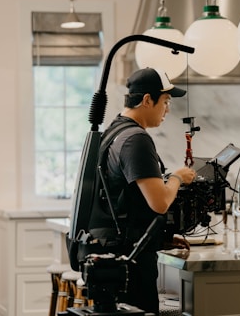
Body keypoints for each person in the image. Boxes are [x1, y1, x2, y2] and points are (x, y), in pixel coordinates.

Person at [87, 67, 196, 315]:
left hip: (114, 254)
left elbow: (124, 200)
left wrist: (160, 238)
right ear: (148, 100)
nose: (167, 109)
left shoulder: (115, 131)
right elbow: (159, 202)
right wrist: (178, 177)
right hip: (130, 260)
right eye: (166, 102)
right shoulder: (136, 139)